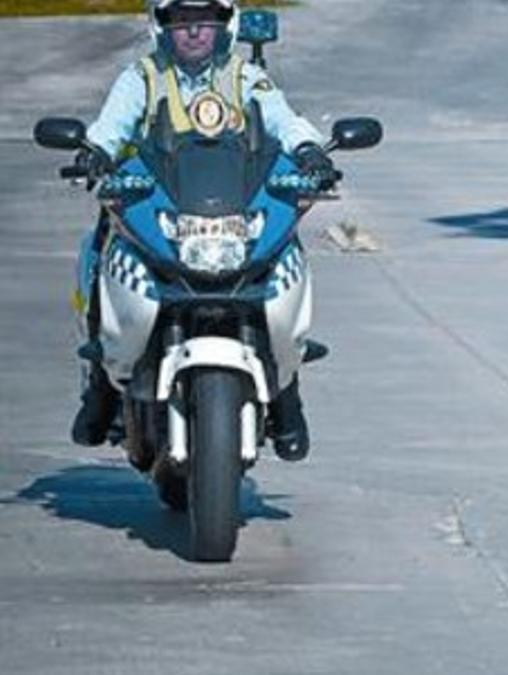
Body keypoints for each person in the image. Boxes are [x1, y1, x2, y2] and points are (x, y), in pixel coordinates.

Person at [71, 0, 332, 461]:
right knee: (99, 248)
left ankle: (288, 392)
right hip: (156, 204)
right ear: (162, 27)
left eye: (205, 21)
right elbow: (110, 129)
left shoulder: (245, 76)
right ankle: (101, 388)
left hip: (234, 206)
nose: (193, 31)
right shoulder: (143, 77)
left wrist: (310, 150)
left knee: (282, 252)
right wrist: (93, 152)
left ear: (224, 27)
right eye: (181, 21)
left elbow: (282, 120)